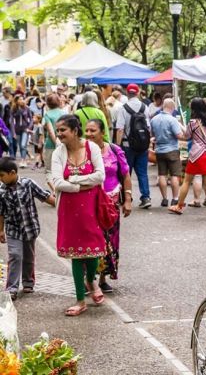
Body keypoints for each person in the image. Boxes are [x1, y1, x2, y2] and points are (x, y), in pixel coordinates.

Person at [52, 114, 106, 316]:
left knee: (93, 251)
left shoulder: (91, 148)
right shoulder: (59, 152)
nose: (59, 134)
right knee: (75, 255)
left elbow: (100, 175)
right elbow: (57, 182)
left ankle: (90, 279)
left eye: (63, 130)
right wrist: (82, 185)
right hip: (69, 208)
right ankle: (80, 300)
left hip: (91, 206)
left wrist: (73, 179)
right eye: (58, 130)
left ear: (75, 130)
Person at [85, 119, 132, 293]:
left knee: (110, 242)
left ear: (102, 132)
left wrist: (128, 199)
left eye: (93, 130)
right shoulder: (83, 152)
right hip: (88, 203)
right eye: (87, 130)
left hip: (110, 205)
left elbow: (125, 176)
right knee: (90, 240)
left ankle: (103, 278)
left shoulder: (114, 150)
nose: (89, 134)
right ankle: (89, 278)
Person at [0, 157, 55, 300]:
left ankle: (28, 282)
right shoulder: (1, 191)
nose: (0, 179)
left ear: (12, 173)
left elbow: (45, 196)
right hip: (13, 230)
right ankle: (12, 288)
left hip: (30, 229)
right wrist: (1, 230)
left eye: (1, 176)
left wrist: (62, 204)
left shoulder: (28, 184)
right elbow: (1, 213)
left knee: (29, 257)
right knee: (15, 256)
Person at [169, 97, 206, 217]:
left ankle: (179, 206)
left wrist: (181, 127)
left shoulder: (192, 123)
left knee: (187, 181)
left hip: (195, 155)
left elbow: (186, 136)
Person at [115, 83, 151, 209]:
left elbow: (120, 129)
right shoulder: (145, 107)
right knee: (142, 172)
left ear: (127, 92)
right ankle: (146, 197)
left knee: (126, 172)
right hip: (142, 145)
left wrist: (117, 146)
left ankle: (126, 197)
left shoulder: (123, 108)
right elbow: (148, 127)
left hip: (127, 145)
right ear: (138, 92)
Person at [150, 98, 184, 207]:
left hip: (159, 150)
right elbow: (178, 135)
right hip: (172, 150)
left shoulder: (154, 119)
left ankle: (164, 199)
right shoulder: (172, 120)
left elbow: (153, 134)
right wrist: (186, 137)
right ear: (172, 108)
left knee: (162, 175)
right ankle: (175, 199)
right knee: (174, 175)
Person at [43, 93, 65, 191]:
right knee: (63, 167)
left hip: (50, 145)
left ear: (47, 103)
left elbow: (51, 131)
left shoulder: (47, 114)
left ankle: (55, 190)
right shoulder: (64, 113)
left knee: (49, 170)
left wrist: (56, 143)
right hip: (64, 143)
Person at [10, 94, 33, 167]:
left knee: (23, 145)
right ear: (16, 101)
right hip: (17, 129)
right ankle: (23, 160)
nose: (21, 100)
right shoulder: (13, 109)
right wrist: (13, 132)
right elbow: (11, 122)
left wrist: (29, 128)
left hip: (25, 129)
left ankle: (23, 160)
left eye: (22, 99)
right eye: (19, 99)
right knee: (20, 146)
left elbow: (31, 119)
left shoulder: (26, 108)